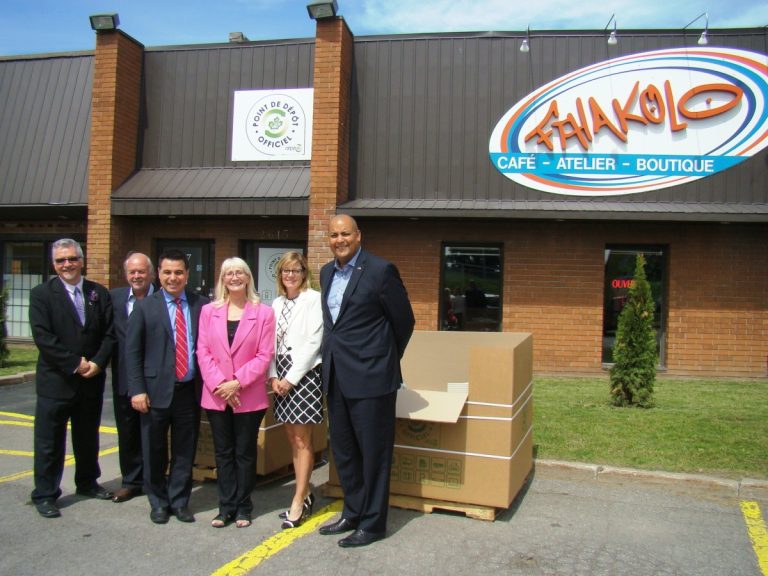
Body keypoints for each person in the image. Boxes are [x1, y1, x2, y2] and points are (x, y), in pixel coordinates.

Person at [317, 214, 415, 547]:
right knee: (344, 450)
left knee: (374, 453)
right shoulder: (326, 272)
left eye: (345, 234)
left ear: (359, 236)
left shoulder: (380, 270)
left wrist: (383, 360)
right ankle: (353, 511)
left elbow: (404, 322)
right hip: (336, 376)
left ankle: (373, 524)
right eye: (333, 235)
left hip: (372, 378)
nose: (339, 239)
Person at [28, 238, 115, 518]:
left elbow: (109, 334)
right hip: (57, 381)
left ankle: (88, 482)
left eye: (72, 258)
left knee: (87, 437)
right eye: (61, 260)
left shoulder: (98, 293)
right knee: (49, 442)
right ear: (54, 264)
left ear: (82, 259)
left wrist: (99, 363)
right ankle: (45, 494)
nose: (67, 264)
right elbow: (44, 337)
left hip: (91, 381)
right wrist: (76, 363)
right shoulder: (42, 294)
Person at [126, 249, 209, 524]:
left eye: (178, 272)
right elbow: (132, 352)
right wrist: (137, 389)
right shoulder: (145, 306)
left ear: (187, 275)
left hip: (188, 391)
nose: (173, 278)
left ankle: (180, 501)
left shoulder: (201, 305)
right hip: (154, 391)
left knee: (185, 450)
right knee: (154, 450)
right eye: (167, 272)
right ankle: (158, 502)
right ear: (158, 274)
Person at [196, 258, 275, 529]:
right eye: (229, 273)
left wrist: (237, 383)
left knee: (244, 452)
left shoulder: (263, 312)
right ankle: (225, 507)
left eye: (239, 272)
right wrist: (221, 384)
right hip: (217, 395)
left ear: (248, 277)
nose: (234, 277)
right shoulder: (209, 311)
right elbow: (202, 351)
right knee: (223, 453)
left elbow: (265, 355)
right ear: (222, 279)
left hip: (248, 396)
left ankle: (243, 507)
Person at [267, 252, 323, 529]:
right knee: (291, 437)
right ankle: (306, 492)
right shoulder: (276, 303)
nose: (290, 275)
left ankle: (298, 501)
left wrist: (290, 378)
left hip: (304, 375)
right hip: (281, 375)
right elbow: (269, 343)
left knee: (303, 439)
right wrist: (273, 375)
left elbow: (314, 342)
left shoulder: (313, 299)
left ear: (304, 273)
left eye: (296, 270)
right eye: (285, 270)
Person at [109, 252, 155, 503]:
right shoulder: (114, 299)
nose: (137, 276)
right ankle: (130, 481)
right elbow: (106, 335)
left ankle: (153, 481)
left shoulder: (162, 298)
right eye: (132, 272)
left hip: (155, 378)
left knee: (152, 433)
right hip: (124, 377)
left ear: (151, 273)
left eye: (141, 271)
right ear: (126, 274)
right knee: (127, 432)